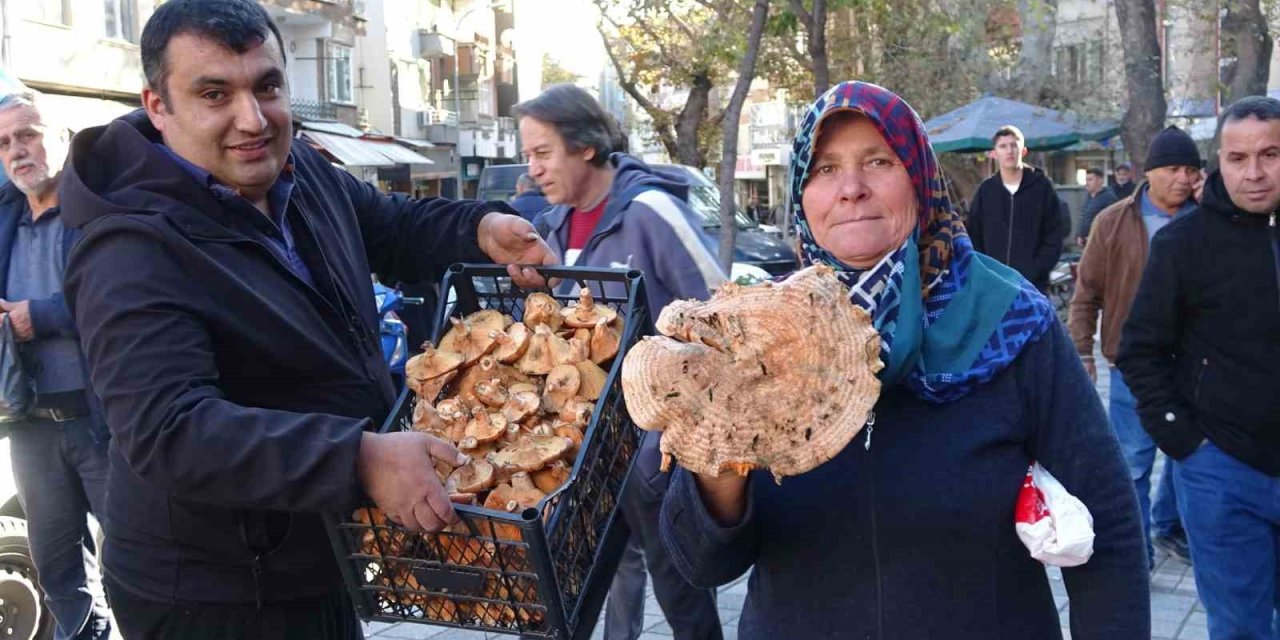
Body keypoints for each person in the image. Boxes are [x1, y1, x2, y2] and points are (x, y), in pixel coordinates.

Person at [57, 1, 555, 638]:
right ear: (158, 106)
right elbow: (168, 429)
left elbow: (391, 225)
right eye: (214, 93)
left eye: (266, 86)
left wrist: (478, 226)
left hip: (321, 554)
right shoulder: (127, 248)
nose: (252, 119)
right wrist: (358, 458)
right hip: (213, 594)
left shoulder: (303, 170)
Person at [659, 81, 1149, 639]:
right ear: (800, 194)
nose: (851, 189)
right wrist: (721, 452)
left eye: (878, 160)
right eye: (823, 169)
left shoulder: (1011, 321)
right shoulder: (749, 333)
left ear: (919, 177)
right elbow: (701, 564)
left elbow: (1106, 517)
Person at [516, 84, 726, 640]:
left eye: (542, 152)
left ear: (584, 146)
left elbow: (722, 315)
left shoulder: (651, 211)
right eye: (528, 155)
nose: (532, 168)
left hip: (655, 460)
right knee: (572, 591)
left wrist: (675, 434)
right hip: (582, 458)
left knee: (681, 593)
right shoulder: (553, 228)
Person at [1118, 96, 1280, 640]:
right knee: (1241, 628)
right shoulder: (1184, 244)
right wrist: (1184, 441)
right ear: (1219, 165)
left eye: (1270, 154)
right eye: (1238, 158)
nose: (1253, 172)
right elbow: (1140, 348)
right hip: (1223, 471)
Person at [0, 90, 112, 640]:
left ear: (62, 139)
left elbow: (115, 298)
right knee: (57, 571)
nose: (17, 151)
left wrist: (36, 316)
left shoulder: (96, 209)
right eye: (4, 143)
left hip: (101, 423)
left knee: (137, 560)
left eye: (28, 134)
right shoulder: (5, 221)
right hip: (30, 427)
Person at [1069, 125, 1201, 568]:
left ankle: (1169, 527)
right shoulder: (1114, 221)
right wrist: (1082, 352)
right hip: (1132, 365)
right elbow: (1086, 292)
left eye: (1191, 169)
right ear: (1152, 172)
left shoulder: (1206, 219)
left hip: (1196, 364)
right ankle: (1136, 549)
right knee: (1134, 462)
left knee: (1188, 454)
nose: (1184, 178)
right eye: (1175, 169)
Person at [966, 125, 1066, 291]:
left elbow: (1054, 234)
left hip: (1033, 285)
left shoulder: (1041, 187)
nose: (1009, 151)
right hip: (994, 284)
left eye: (1014, 145)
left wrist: (1035, 270)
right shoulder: (986, 191)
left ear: (1024, 151)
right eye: (1003, 146)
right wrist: (986, 271)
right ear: (993, 154)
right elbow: (973, 235)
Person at [1076, 166, 1120, 246]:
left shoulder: (1109, 198)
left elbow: (1113, 222)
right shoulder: (1088, 197)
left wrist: (1098, 237)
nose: (1087, 183)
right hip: (1086, 242)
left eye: (1090, 180)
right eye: (1086, 180)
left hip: (1100, 243)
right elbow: (1083, 216)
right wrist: (1079, 235)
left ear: (1100, 181)